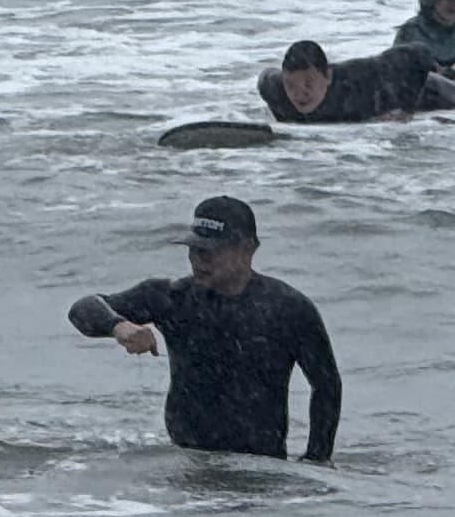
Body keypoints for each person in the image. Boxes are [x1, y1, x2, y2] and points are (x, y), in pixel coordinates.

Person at [65, 194, 341, 462]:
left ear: (247, 249)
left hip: (261, 467)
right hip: (187, 460)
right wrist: (118, 326)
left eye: (210, 252)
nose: (198, 260)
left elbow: (326, 385)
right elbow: (84, 308)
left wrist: (317, 458)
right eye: (193, 249)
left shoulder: (288, 309)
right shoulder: (172, 298)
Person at [257, 38, 433, 125]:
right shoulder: (276, 89)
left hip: (428, 89)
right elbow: (264, 79)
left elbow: (419, 52)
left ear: (327, 77)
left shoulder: (356, 77)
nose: (299, 94)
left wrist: (407, 109)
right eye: (291, 86)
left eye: (308, 84)